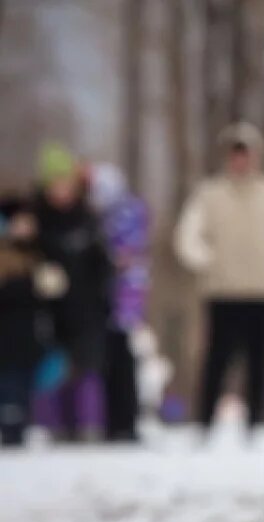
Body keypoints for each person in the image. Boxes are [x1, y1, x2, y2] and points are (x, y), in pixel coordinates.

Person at [174, 122, 264, 433]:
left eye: (246, 153)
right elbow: (187, 238)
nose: (241, 160)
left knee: (260, 359)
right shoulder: (209, 194)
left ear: (256, 155)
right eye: (235, 153)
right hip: (222, 289)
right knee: (217, 358)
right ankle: (205, 421)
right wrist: (209, 262)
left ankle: (255, 422)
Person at [32, 143, 114, 441]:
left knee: (88, 367)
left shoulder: (88, 218)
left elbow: (103, 263)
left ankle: (89, 424)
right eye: (54, 183)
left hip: (87, 307)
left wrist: (103, 293)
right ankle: (52, 425)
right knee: (54, 367)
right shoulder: (36, 220)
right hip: (49, 309)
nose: (60, 190)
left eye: (65, 182)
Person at [88, 163, 150, 441]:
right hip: (103, 299)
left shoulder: (129, 212)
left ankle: (126, 421)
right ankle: (112, 422)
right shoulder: (100, 215)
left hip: (124, 299)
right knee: (108, 360)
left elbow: (129, 256)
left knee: (122, 359)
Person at [0, 195, 66, 446]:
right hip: (6, 335)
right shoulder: (5, 255)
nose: (25, 228)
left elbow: (55, 292)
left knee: (25, 385)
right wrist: (30, 287)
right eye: (20, 223)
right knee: (8, 385)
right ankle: (9, 428)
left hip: (31, 334)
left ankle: (20, 426)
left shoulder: (42, 253)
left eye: (29, 223)